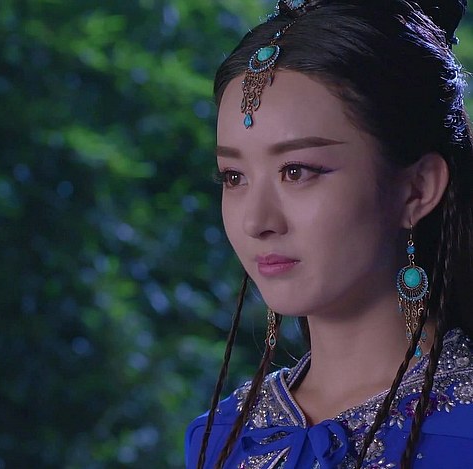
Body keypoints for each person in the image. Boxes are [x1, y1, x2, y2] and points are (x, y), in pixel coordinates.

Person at [185, 0, 473, 467]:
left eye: (297, 171)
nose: (256, 221)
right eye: (234, 177)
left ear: (417, 189)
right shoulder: (219, 437)